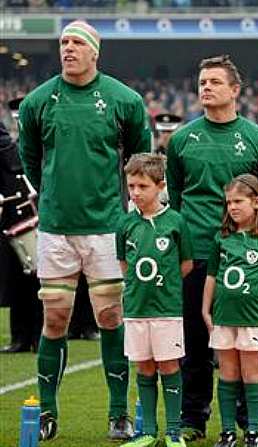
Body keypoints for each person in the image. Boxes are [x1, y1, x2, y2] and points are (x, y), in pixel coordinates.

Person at [17, 20, 151, 441]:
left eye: (77, 42)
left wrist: (127, 209)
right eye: (63, 42)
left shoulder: (123, 100)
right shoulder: (37, 102)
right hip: (56, 228)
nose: (68, 49)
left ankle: (117, 414)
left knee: (110, 317)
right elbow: (30, 160)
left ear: (96, 51)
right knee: (54, 318)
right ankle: (48, 413)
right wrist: (57, 196)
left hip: (105, 228)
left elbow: (140, 157)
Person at [166, 54, 258, 441]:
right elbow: (179, 196)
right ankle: (193, 418)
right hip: (196, 254)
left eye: (215, 82)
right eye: (202, 82)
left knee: (249, 344)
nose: (206, 88)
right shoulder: (182, 139)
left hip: (246, 258)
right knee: (196, 342)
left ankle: (253, 423)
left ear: (236, 90)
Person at [201, 174, 258, 447]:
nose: (232, 207)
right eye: (228, 203)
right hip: (224, 317)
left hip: (255, 318)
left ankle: (255, 430)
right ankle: (227, 431)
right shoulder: (222, 238)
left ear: (257, 202)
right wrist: (206, 310)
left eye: (238, 201)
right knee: (227, 373)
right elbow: (211, 276)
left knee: (252, 373)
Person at [117, 153, 194, 447]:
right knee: (144, 368)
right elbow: (125, 265)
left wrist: (166, 285)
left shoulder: (175, 221)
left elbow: (185, 264)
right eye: (131, 186)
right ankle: (147, 432)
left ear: (160, 186)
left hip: (166, 309)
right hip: (136, 309)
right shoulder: (125, 225)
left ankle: (173, 432)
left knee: (169, 367)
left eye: (142, 186)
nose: (135, 192)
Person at [0, 98, 42, 354]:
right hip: (11, 215)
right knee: (16, 276)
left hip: (31, 213)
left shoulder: (22, 142)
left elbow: (15, 160)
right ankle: (20, 336)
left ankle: (36, 334)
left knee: (35, 277)